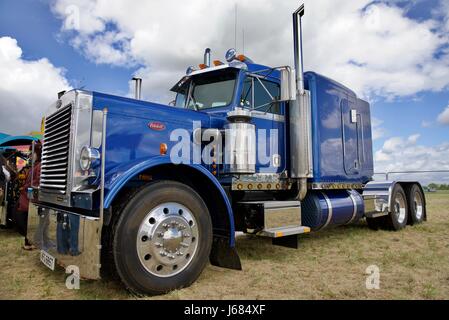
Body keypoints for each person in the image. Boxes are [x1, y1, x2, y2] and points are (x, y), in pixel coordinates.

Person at [13, 142, 42, 250]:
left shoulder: (40, 166)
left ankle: (32, 241)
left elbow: (38, 182)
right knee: (19, 219)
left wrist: (25, 187)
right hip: (25, 197)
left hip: (30, 197)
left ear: (38, 153)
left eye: (32, 153)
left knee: (22, 219)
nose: (30, 155)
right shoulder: (33, 166)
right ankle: (29, 241)